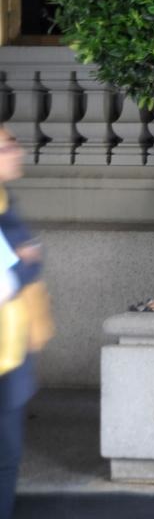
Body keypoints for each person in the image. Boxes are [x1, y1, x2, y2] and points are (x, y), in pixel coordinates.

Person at [0, 130, 43, 519]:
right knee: (6, 458)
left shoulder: (5, 201)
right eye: (5, 148)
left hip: (10, 352)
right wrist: (24, 261)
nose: (16, 152)